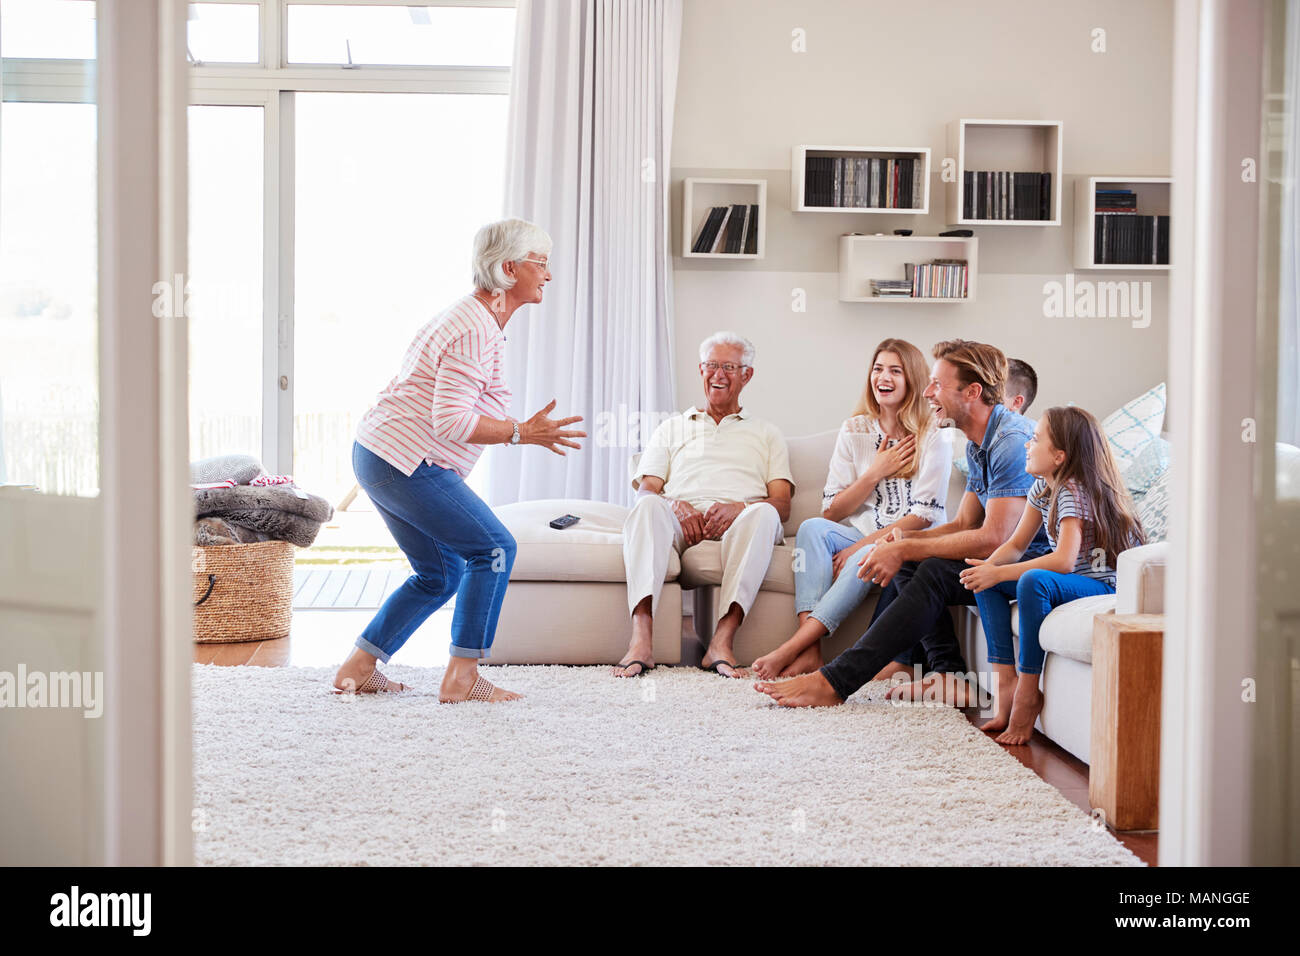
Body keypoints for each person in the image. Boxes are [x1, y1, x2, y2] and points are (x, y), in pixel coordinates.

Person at [333, 218, 586, 703]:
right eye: (541, 263)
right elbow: (451, 420)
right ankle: (462, 677)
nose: (548, 275)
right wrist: (521, 432)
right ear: (510, 269)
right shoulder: (475, 328)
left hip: (381, 454)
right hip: (404, 460)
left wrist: (519, 429)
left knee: (441, 572)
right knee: (493, 548)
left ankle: (358, 668)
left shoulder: (475, 318)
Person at [753, 339, 1049, 708]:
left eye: (937, 384)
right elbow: (963, 523)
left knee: (928, 568)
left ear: (972, 392)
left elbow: (994, 540)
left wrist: (906, 544)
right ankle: (947, 674)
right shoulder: (979, 442)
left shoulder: (1009, 441)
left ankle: (836, 681)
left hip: (1033, 567)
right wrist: (900, 541)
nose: (928, 392)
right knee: (911, 558)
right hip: (1003, 560)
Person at [750, 339, 951, 679]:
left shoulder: (934, 433)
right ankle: (811, 651)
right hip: (864, 529)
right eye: (877, 369)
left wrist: (860, 546)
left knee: (866, 553)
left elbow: (923, 515)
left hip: (908, 536)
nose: (882, 377)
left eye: (895, 370)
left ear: (913, 379)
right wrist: (875, 472)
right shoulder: (854, 429)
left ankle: (792, 647)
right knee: (813, 528)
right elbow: (831, 511)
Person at [960, 405, 1145, 744]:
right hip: (1074, 579)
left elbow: (1062, 562)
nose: (1027, 446)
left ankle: (1028, 693)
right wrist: (989, 570)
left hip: (1101, 585)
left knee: (1031, 580)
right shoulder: (1042, 489)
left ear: (1059, 456)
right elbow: (1016, 545)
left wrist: (1000, 574)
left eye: (1034, 439)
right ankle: (1006, 684)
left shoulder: (1073, 491)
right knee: (986, 577)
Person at [617, 332, 793, 679]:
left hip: (740, 524)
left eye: (729, 366)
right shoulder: (670, 428)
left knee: (764, 513)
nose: (719, 375)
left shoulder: (767, 433)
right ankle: (641, 639)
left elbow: (783, 504)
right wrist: (674, 504)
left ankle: (721, 642)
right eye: (712, 365)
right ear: (700, 370)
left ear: (747, 375)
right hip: (681, 522)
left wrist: (740, 507)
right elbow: (646, 491)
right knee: (648, 507)